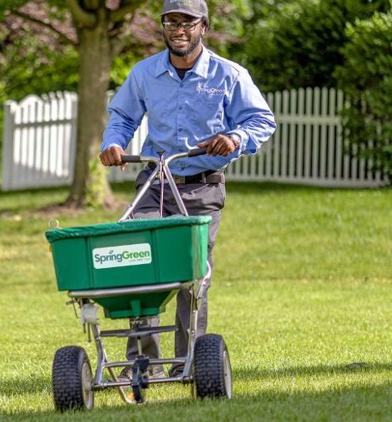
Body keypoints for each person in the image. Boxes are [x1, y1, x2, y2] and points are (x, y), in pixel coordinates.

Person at [99, 0, 276, 380]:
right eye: (171, 22)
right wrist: (113, 143)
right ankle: (141, 366)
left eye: (188, 23)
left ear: (204, 27)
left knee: (192, 277)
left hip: (202, 189)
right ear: (163, 26)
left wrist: (235, 137)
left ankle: (190, 364)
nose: (179, 29)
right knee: (140, 269)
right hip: (153, 185)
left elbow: (261, 120)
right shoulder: (145, 73)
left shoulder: (229, 74)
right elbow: (123, 117)